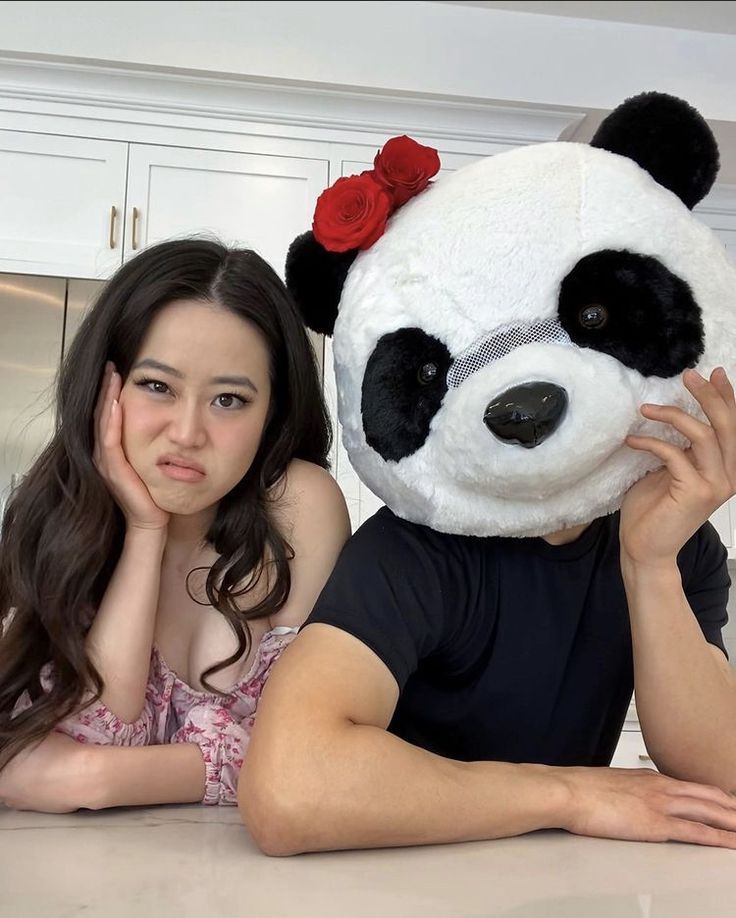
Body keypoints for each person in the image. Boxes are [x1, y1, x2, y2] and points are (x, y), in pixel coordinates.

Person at [240, 367, 736, 853]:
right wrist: (570, 796)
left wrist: (650, 566)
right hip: (400, 881)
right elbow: (290, 788)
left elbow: (719, 777)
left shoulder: (672, 541)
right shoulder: (415, 545)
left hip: (561, 882)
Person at [0, 238, 350, 811]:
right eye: (157, 386)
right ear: (104, 388)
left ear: (273, 414)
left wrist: (97, 778)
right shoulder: (51, 522)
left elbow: (306, 759)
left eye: (230, 400)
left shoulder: (299, 508)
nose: (187, 433)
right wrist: (144, 531)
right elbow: (101, 728)